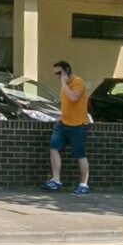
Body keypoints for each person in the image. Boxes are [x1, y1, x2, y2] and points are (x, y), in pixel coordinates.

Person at [42, 59, 92, 194]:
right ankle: (56, 180)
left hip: (78, 125)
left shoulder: (78, 82)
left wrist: (64, 84)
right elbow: (66, 104)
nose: (58, 77)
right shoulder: (64, 86)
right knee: (54, 147)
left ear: (67, 71)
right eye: (56, 74)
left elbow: (74, 98)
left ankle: (84, 184)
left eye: (59, 73)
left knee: (79, 154)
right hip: (63, 123)